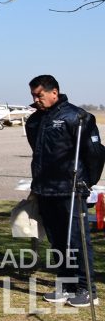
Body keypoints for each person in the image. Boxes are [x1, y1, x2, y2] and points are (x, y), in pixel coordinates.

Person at [26, 74, 105, 308]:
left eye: (39, 95)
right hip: (45, 189)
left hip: (70, 189)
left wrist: (87, 181)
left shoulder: (78, 117)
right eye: (33, 95)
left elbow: (96, 153)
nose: (36, 99)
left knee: (76, 240)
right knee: (57, 241)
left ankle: (87, 288)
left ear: (54, 92)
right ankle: (67, 283)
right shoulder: (33, 121)